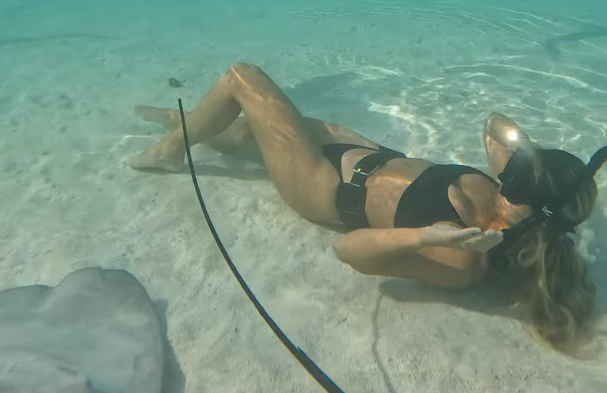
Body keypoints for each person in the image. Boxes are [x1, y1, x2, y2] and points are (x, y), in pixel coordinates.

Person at [130, 63, 605, 348]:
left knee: (242, 79)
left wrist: (424, 235)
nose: (515, 166)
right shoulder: (511, 193)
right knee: (243, 131)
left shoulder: (467, 256)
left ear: (531, 193)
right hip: (355, 148)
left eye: (526, 171)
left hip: (320, 183)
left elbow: (350, 251)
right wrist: (543, 167)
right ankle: (184, 124)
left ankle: (173, 149)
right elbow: (495, 124)